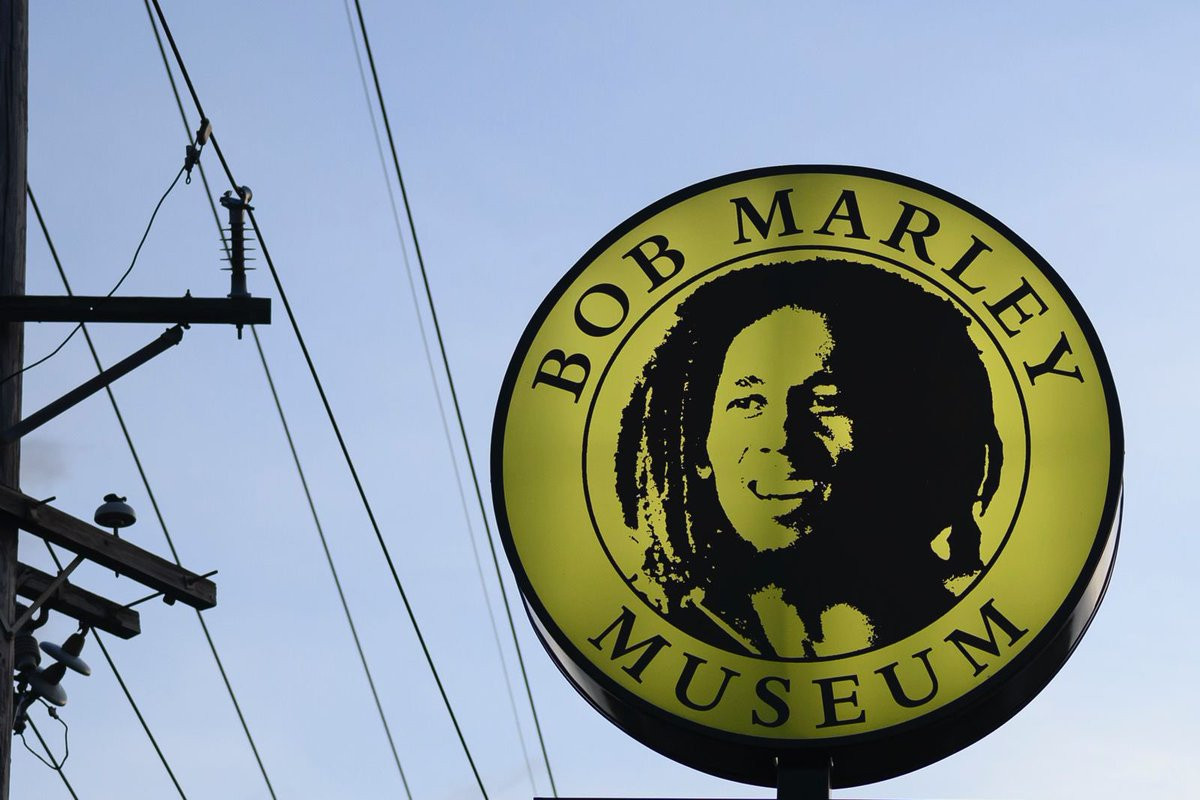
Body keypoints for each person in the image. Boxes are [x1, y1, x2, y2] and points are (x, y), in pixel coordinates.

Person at [613, 258, 1003, 658]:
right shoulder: (682, 636)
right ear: (700, 448)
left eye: (825, 401)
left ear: (901, 431)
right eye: (748, 402)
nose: (781, 439)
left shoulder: (951, 633)